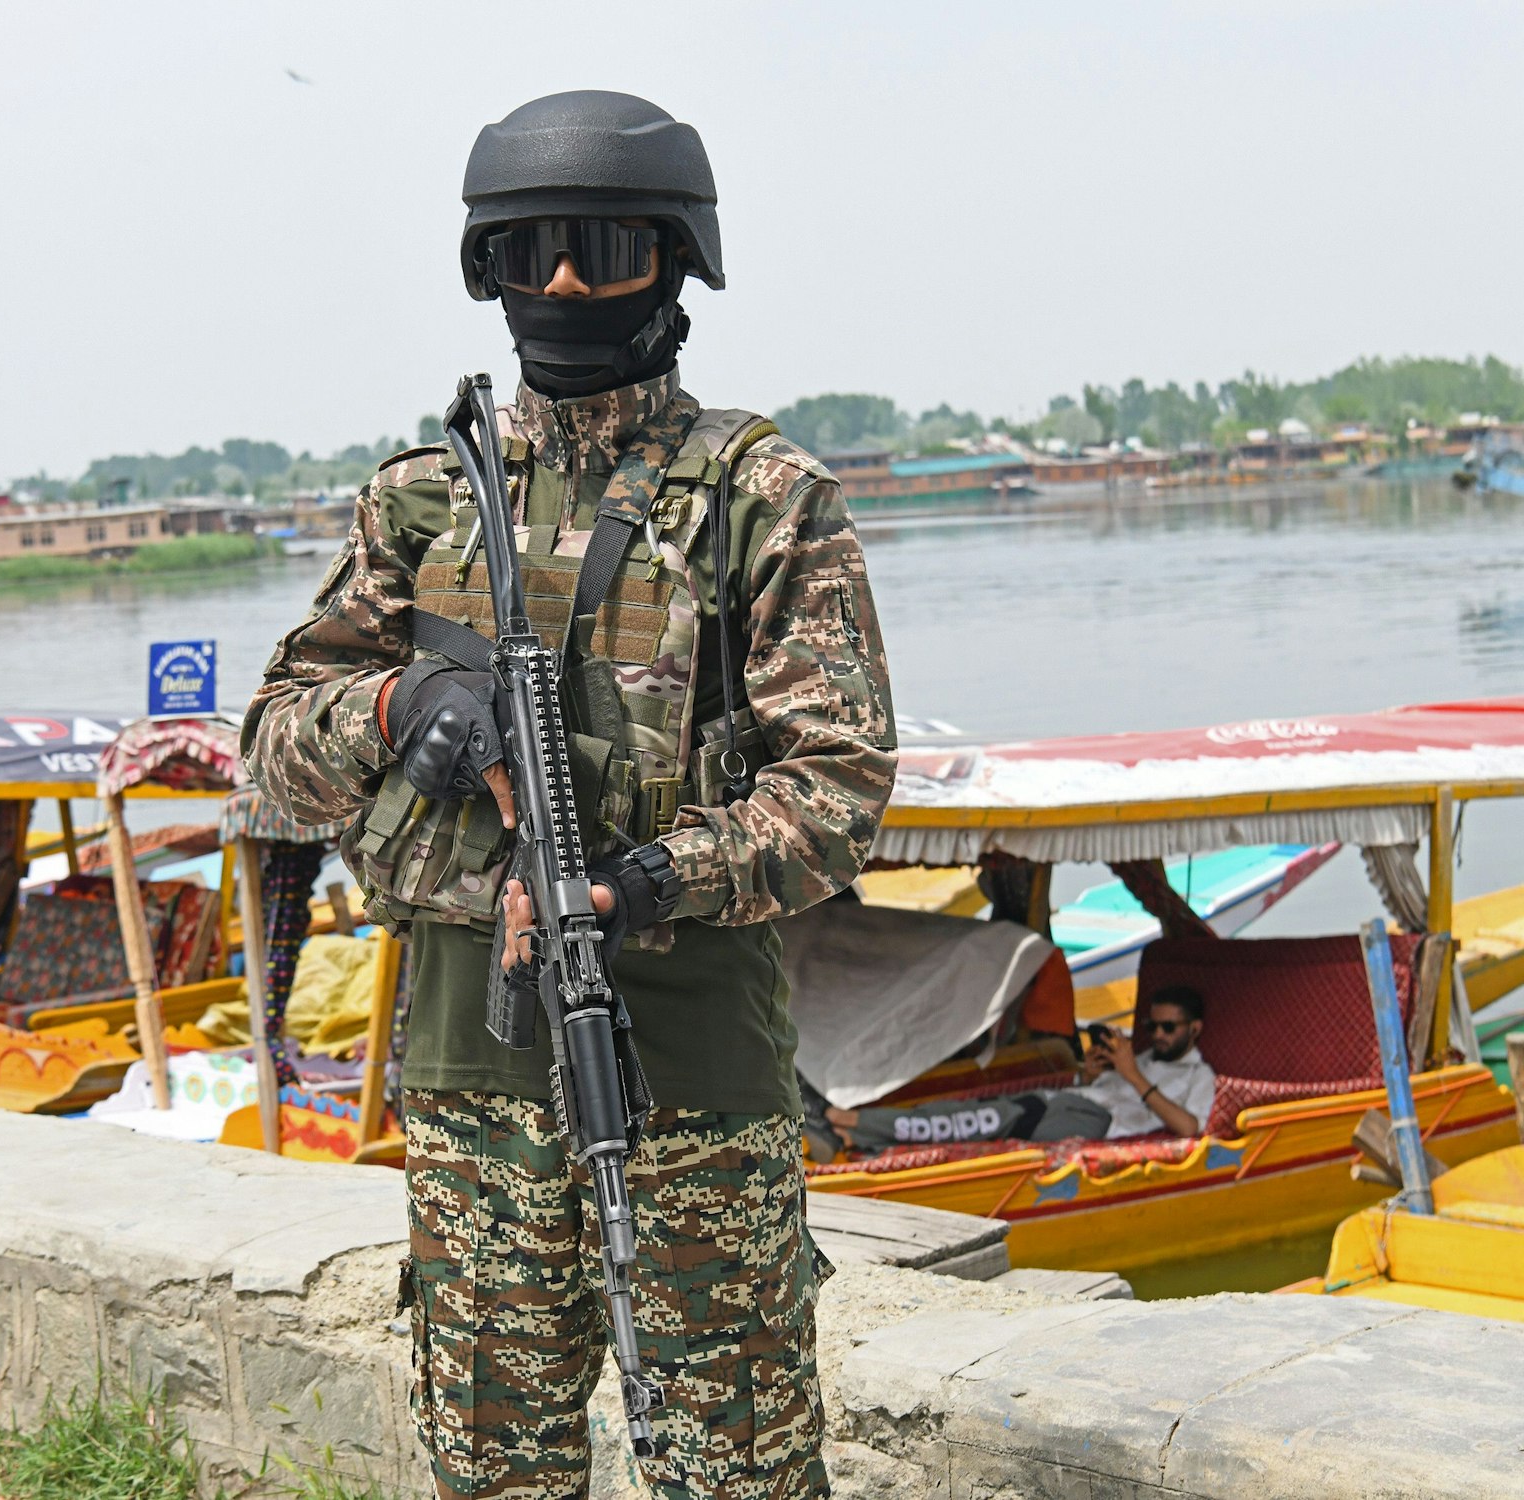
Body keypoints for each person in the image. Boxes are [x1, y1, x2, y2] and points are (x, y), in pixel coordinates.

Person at [242, 90, 896, 1500]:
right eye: (526, 251)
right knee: (493, 1464)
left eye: (599, 250)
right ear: (484, 270)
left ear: (672, 262)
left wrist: (643, 881)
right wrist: (396, 708)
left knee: (735, 1468)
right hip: (468, 1060)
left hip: (689, 1056)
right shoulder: (421, 503)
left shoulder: (761, 498)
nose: (561, 285)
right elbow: (273, 749)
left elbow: (837, 791)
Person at [822, 986, 1217, 1155]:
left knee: (979, 1122)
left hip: (1094, 1120)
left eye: (1168, 1028)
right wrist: (1089, 1075)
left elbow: (1189, 1128)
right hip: (1066, 1102)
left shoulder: (1199, 1076)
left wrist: (1132, 1075)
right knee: (974, 1112)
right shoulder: (1143, 1060)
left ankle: (858, 1124)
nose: (1157, 1035)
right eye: (1152, 1026)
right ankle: (859, 1132)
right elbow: (1104, 1087)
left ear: (1194, 1029)